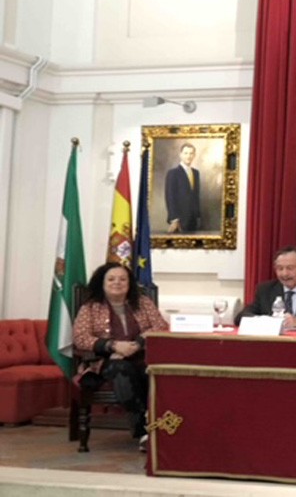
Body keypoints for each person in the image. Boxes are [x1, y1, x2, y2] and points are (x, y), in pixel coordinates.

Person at [72, 262, 168, 449]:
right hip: (105, 362)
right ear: (102, 283)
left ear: (129, 283)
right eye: (111, 279)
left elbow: (160, 326)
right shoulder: (90, 307)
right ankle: (143, 431)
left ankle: (162, 428)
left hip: (142, 357)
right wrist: (114, 346)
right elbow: (80, 338)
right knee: (122, 369)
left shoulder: (143, 302)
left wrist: (137, 344)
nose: (117, 282)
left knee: (152, 372)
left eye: (123, 279)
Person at [164, 142, 201, 233]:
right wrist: (174, 219)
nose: (188, 156)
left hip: (193, 220)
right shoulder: (173, 173)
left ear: (194, 155)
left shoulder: (196, 173)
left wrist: (197, 216)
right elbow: (170, 197)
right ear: (180, 155)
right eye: (186, 153)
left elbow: (195, 195)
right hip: (179, 220)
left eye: (191, 153)